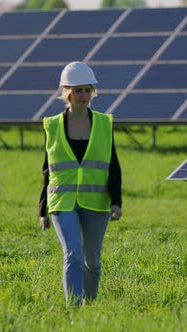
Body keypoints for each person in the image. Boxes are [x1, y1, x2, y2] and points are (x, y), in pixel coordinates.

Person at [38, 61, 122, 307]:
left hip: (96, 202)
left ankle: (90, 304)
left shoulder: (104, 123)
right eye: (78, 90)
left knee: (92, 262)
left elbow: (113, 164)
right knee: (73, 254)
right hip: (62, 202)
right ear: (67, 93)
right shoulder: (51, 125)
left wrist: (116, 202)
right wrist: (42, 209)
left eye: (88, 90)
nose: (84, 96)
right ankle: (73, 310)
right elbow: (47, 168)